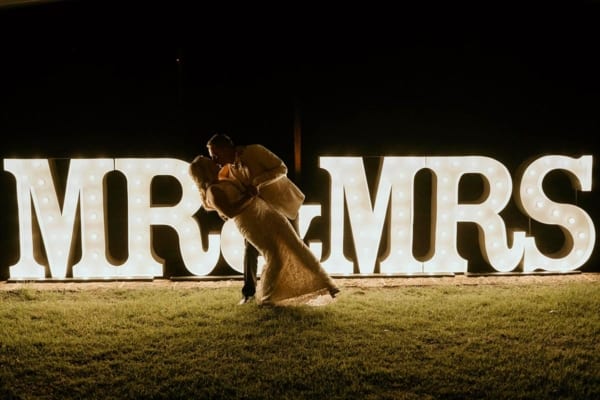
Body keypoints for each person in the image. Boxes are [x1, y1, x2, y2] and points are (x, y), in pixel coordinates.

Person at [189, 155, 340, 306]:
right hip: (250, 223)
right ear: (206, 171)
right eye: (211, 164)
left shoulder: (223, 180)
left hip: (265, 212)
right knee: (274, 256)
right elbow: (230, 212)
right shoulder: (213, 191)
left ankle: (326, 284)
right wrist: (249, 196)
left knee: (296, 245)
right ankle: (268, 297)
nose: (216, 163)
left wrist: (251, 194)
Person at [205, 133, 307, 304]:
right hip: (259, 213)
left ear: (226, 149)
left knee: (295, 246)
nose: (214, 161)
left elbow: (282, 169)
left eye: (215, 155)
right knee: (249, 248)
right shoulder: (226, 172)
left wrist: (257, 183)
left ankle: (304, 287)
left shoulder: (255, 151)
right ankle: (248, 293)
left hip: (284, 205)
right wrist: (221, 210)